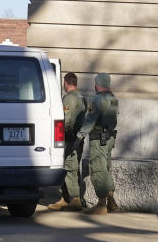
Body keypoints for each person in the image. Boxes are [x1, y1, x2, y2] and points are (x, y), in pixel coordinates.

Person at [75, 73, 119, 215]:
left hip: (98, 139)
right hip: (109, 138)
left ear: (97, 84)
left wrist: (79, 136)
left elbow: (90, 121)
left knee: (97, 169)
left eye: (95, 83)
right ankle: (110, 198)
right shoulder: (113, 99)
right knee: (105, 168)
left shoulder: (97, 100)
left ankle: (101, 204)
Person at [48, 73, 86, 212]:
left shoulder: (69, 98)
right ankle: (65, 198)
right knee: (71, 166)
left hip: (70, 139)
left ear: (66, 83)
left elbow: (66, 120)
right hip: (78, 139)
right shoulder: (81, 97)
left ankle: (75, 199)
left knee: (69, 167)